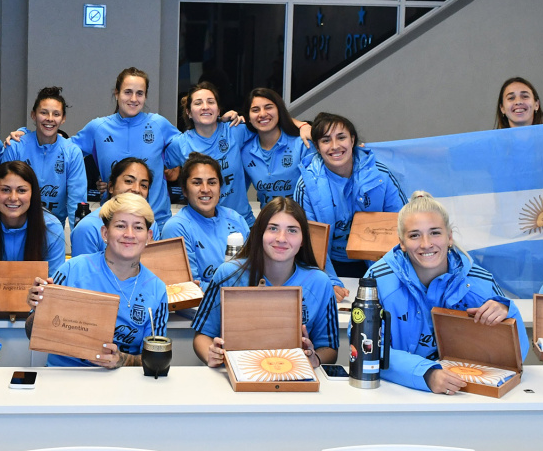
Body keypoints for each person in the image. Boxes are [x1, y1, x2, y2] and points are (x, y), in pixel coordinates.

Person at [363, 191, 528, 394]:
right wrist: (425, 373)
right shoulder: (376, 280)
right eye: (415, 235)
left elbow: (516, 359)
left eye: (435, 232)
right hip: (393, 393)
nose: (426, 244)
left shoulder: (479, 282)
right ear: (402, 243)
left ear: (449, 237)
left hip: (462, 393)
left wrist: (507, 312)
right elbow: (366, 349)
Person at [191, 197, 338, 369]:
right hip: (235, 378)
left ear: (303, 239)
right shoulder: (227, 274)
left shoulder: (320, 282)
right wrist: (211, 354)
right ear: (259, 233)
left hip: (293, 379)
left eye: (292, 230)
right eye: (273, 228)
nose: (281, 238)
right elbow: (202, 335)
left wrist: (316, 359)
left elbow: (329, 348)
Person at [26, 193, 168, 368]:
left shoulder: (157, 289)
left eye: (138, 227)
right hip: (64, 377)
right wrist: (38, 310)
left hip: (123, 385)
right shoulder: (72, 270)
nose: (129, 234)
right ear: (105, 233)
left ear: (149, 237)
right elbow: (31, 332)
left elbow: (154, 360)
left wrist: (121, 359)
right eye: (121, 226)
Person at [293, 112, 407, 296]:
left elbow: (404, 226)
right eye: (326, 140)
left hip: (379, 263)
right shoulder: (306, 185)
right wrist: (326, 281)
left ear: (352, 140)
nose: (335, 146)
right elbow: (306, 240)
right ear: (317, 146)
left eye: (341, 137)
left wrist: (387, 275)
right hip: (327, 265)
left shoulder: (381, 176)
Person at [67, 68, 178, 234]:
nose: (133, 99)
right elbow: (61, 151)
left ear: (146, 96)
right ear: (117, 93)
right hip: (114, 225)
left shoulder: (159, 124)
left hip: (156, 225)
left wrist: (222, 126)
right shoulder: (98, 128)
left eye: (139, 93)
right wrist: (27, 138)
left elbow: (194, 146)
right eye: (127, 92)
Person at [0, 161, 65, 317]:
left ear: (33, 193)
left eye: (22, 190)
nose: (13, 198)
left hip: (37, 316)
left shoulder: (52, 227)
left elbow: (55, 285)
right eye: (5, 190)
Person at [165, 84, 257, 227]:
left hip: (242, 223)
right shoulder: (180, 144)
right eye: (198, 103)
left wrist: (302, 126)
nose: (205, 106)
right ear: (189, 112)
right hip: (201, 226)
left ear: (219, 109)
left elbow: (271, 126)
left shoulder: (235, 130)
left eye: (210, 102)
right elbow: (156, 167)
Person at [2, 86, 87, 229]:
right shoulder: (15, 147)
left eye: (56, 114)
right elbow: (3, 193)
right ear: (33, 115)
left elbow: (76, 205)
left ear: (63, 119)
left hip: (54, 230)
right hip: (17, 228)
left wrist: (78, 244)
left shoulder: (72, 153)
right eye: (43, 112)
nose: (49, 119)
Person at [160, 153, 249, 286]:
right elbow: (189, 289)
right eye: (197, 183)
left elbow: (253, 270)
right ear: (184, 190)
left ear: (220, 188)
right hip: (200, 306)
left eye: (212, 182)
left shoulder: (235, 218)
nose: (205, 189)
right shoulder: (176, 227)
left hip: (241, 301)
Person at [241, 88, 311, 208]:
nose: (262, 114)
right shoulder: (245, 152)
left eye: (268, 107)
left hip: (303, 221)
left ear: (279, 110)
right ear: (248, 117)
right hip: (270, 222)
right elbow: (237, 191)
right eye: (255, 110)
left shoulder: (302, 143)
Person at [70, 156, 151, 256]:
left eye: (144, 185)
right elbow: (82, 270)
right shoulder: (88, 228)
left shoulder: (150, 223)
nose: (136, 189)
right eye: (129, 181)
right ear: (111, 187)